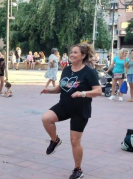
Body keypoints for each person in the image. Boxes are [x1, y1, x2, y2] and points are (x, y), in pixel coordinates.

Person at [41, 43, 101, 179]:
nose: (72, 54)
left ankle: (77, 169)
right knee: (46, 118)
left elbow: (98, 91)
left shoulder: (89, 72)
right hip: (64, 105)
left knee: (75, 141)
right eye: (71, 52)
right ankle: (55, 140)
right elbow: (61, 87)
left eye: (75, 52)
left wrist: (83, 93)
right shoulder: (67, 69)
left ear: (83, 56)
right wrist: (49, 91)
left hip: (80, 110)